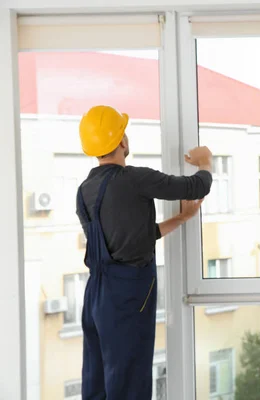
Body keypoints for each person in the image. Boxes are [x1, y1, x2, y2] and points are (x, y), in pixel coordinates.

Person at [75, 105, 213, 399]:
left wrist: (179, 220)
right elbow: (194, 186)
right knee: (129, 384)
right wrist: (205, 163)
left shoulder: (84, 190)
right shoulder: (134, 179)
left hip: (95, 298)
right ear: (121, 141)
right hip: (127, 297)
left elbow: (129, 239)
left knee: (98, 383)